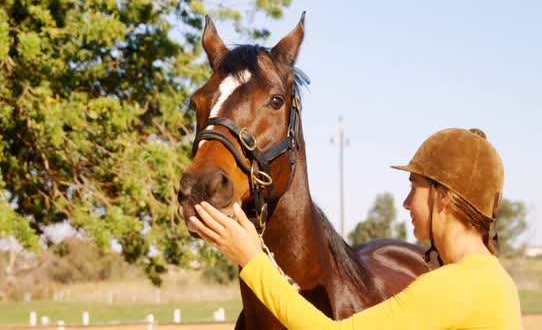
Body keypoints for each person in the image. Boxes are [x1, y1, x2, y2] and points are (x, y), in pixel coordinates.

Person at [189, 128, 522, 329]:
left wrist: (252, 260)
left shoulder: (455, 286)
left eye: (415, 187)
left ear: (444, 196)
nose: (406, 203)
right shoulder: (494, 281)